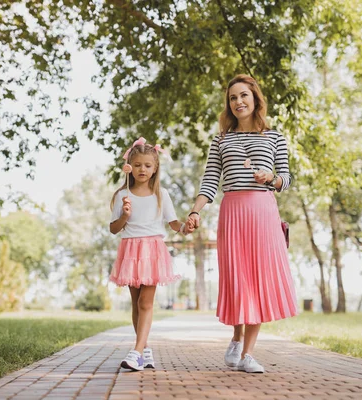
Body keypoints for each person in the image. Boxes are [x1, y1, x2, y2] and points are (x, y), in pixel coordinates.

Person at [186, 74, 298, 373]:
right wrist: (195, 211)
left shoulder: (274, 137)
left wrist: (271, 178)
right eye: (233, 98)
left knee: (259, 278)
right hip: (232, 212)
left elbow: (286, 179)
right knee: (238, 277)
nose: (239, 102)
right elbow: (210, 180)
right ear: (229, 104)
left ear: (255, 98)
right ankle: (236, 337)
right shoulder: (221, 139)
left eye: (244, 95)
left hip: (263, 212)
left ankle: (248, 353)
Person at [109, 137, 185, 371]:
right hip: (130, 250)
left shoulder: (161, 193)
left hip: (152, 250)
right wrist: (125, 216)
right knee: (135, 303)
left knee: (145, 302)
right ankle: (144, 349)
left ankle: (137, 352)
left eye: (148, 165)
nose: (143, 169)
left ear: (155, 168)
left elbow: (173, 223)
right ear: (129, 166)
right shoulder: (122, 194)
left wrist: (186, 227)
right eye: (138, 164)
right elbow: (113, 228)